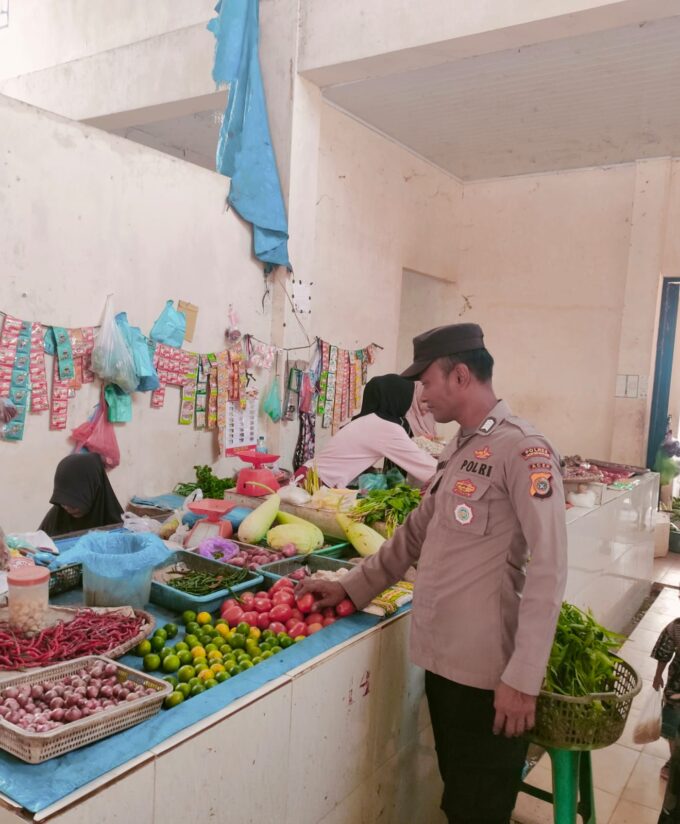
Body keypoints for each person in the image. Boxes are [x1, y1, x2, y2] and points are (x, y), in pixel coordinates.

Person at [296, 322, 568, 824]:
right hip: (445, 666)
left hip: (490, 676)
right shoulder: (459, 447)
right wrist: (351, 587)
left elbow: (549, 568)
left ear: (460, 375)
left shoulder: (522, 450)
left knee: (480, 809)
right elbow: (414, 534)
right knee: (461, 798)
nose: (420, 395)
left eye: (427, 381)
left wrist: (523, 677)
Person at [310, 373, 436, 489]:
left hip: (311, 476)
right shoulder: (386, 428)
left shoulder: (369, 420)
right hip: (315, 484)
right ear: (399, 399)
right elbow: (427, 469)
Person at [38, 453, 123, 537]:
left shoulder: (119, 532)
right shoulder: (56, 517)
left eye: (74, 500)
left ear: (95, 489)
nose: (67, 507)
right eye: (63, 499)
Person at [652, 618, 680, 779]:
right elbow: (664, 652)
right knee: (673, 720)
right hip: (677, 681)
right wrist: (657, 676)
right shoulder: (676, 627)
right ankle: (675, 761)